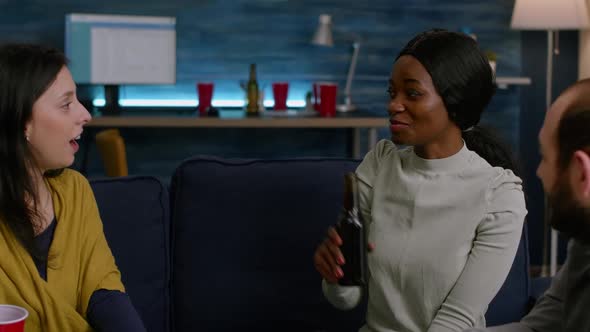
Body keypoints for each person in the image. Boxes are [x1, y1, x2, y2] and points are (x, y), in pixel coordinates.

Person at [313, 29, 528, 332]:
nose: (393, 105)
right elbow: (346, 299)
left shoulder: (499, 194)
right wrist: (335, 276)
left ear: (454, 101)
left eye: (412, 93)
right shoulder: (380, 165)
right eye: (392, 93)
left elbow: (457, 319)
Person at [0, 43, 146, 331]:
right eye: (66, 104)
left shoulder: (75, 191)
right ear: (22, 123)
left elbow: (102, 288)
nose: (85, 115)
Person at [464, 79, 590, 331]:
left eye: (545, 157)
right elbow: (537, 328)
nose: (540, 172)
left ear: (581, 172)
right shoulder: (584, 243)